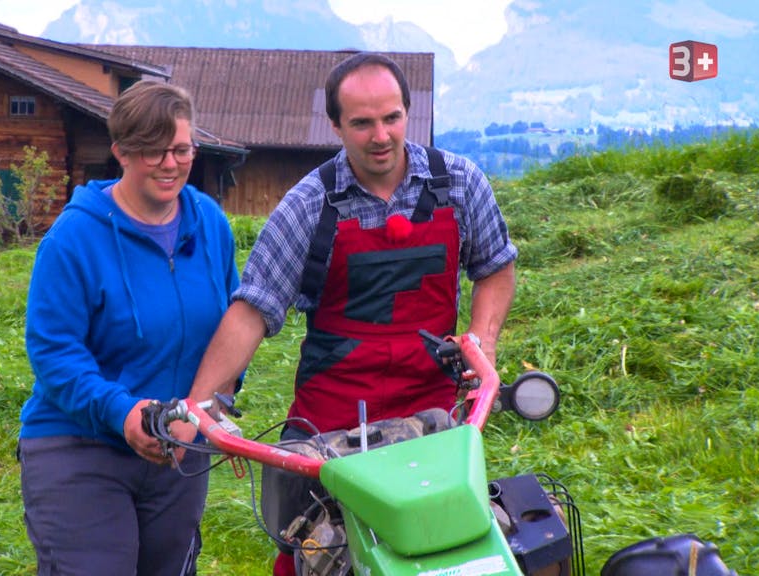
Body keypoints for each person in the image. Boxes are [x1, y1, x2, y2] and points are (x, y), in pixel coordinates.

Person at [189, 52, 518, 575]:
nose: (380, 135)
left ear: (409, 113)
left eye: (391, 118)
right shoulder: (309, 205)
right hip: (332, 413)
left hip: (431, 405)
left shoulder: (459, 183)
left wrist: (481, 342)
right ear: (336, 124)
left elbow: (496, 267)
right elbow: (253, 308)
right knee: (319, 548)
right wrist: (203, 405)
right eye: (362, 123)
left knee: (445, 537)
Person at [17, 80, 239, 575]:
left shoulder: (210, 224)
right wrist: (123, 412)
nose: (170, 163)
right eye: (152, 151)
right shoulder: (74, 239)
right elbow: (54, 353)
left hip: (178, 445)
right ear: (121, 151)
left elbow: (232, 327)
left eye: (181, 149)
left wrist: (208, 407)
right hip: (80, 446)